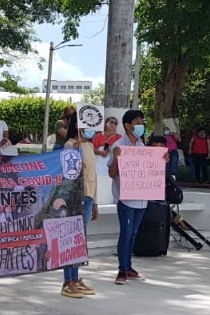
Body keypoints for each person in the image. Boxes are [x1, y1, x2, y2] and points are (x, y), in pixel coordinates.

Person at [107, 109, 169, 285]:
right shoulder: (118, 146)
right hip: (126, 199)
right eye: (138, 122)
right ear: (128, 125)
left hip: (141, 198)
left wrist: (162, 160)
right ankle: (121, 270)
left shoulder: (142, 147)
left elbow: (150, 169)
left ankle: (128, 266)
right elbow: (112, 173)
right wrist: (118, 159)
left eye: (142, 122)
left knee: (133, 234)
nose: (141, 125)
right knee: (126, 234)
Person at [60, 121, 99, 298]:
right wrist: (75, 150)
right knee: (72, 238)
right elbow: (71, 170)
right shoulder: (70, 145)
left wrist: (95, 201)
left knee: (80, 240)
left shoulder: (90, 145)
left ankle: (75, 279)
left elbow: (93, 174)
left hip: (89, 195)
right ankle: (67, 281)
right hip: (76, 196)